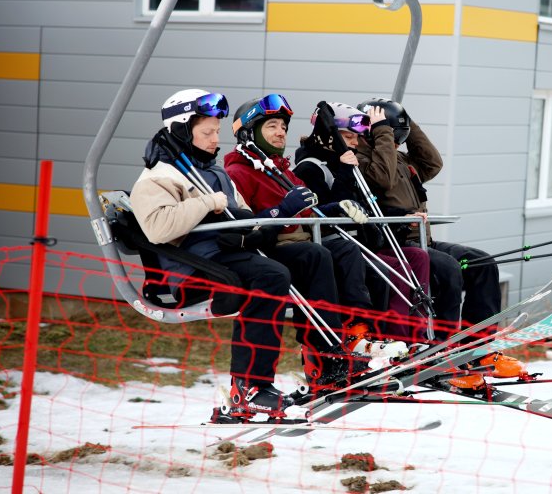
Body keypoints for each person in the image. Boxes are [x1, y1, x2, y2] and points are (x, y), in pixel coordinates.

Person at [130, 88, 313, 423]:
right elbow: (157, 229)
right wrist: (207, 203)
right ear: (182, 130)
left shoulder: (213, 172)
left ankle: (323, 358)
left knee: (302, 260)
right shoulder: (157, 178)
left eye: (217, 131)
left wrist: (267, 220)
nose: (216, 139)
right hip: (194, 271)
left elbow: (241, 213)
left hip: (224, 257)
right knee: (270, 275)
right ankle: (251, 387)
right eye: (207, 132)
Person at [222, 94, 408, 369]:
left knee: (347, 250)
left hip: (301, 240)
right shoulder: (238, 172)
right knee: (315, 255)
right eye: (271, 126)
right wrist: (283, 210)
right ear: (249, 132)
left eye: (283, 127)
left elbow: (311, 210)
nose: (280, 133)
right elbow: (246, 226)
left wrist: (336, 207)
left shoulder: (280, 170)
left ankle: (358, 331)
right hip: (272, 248)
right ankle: (324, 349)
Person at [353, 98, 525, 384]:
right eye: (389, 131)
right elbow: (381, 179)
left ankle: (476, 348)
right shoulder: (364, 162)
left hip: (424, 242)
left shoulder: (402, 161)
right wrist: (382, 129)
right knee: (447, 270)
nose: (394, 138)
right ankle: (442, 351)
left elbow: (433, 163)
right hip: (395, 246)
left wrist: (409, 123)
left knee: (482, 262)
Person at [293, 101, 432, 342]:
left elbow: (365, 205)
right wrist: (346, 173)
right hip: (336, 242)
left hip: (361, 240)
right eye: (349, 137)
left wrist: (401, 216)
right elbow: (326, 210)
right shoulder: (310, 168)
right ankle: (393, 340)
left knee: (418, 256)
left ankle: (417, 337)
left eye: (357, 138)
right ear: (329, 136)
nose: (356, 144)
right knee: (395, 268)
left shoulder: (347, 165)